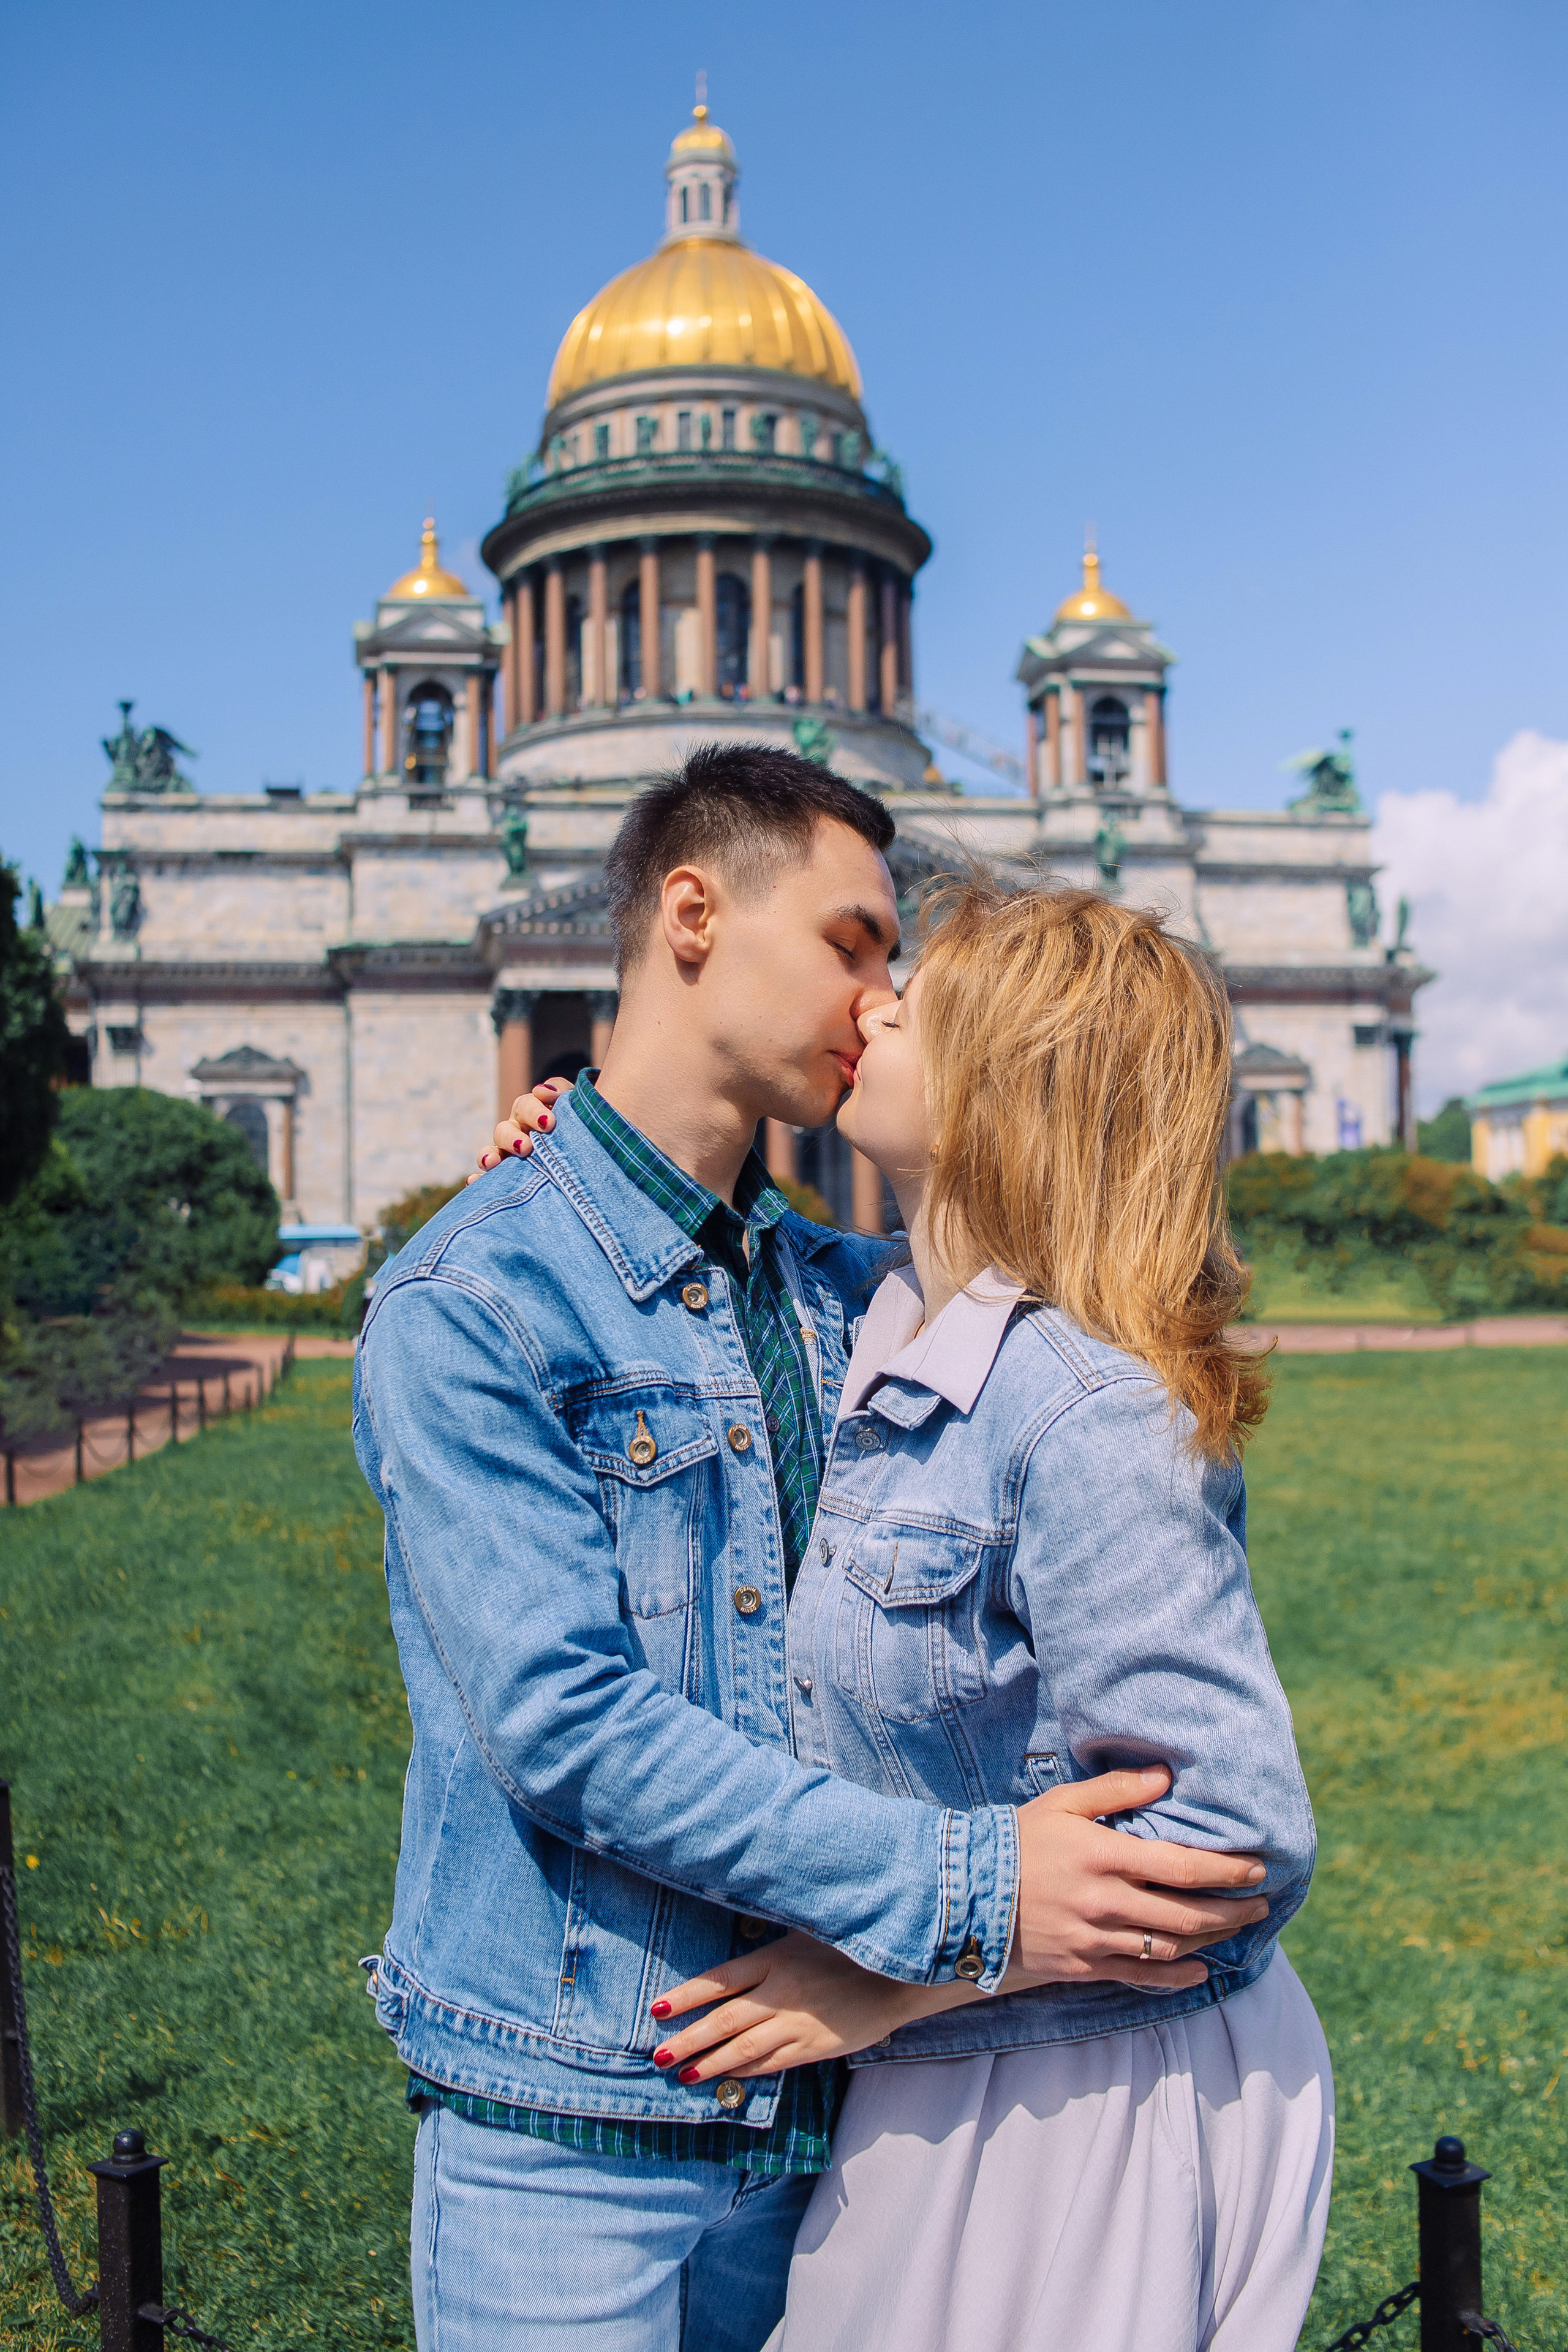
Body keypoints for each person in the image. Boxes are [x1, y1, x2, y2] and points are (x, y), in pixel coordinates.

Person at [358, 745, 1269, 2352]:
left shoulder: (856, 1293)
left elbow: (1068, 1221)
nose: (884, 990)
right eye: (855, 941)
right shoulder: (474, 1302)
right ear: (692, 917)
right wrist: (981, 1890)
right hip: (578, 2139)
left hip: (837, 2126)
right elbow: (565, 1723)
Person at [631, 878, 1332, 2352]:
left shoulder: (1085, 1411)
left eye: (917, 997)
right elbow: (681, 1233)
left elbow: (1233, 1840)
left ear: (1008, 1090)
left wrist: (893, 1973)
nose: (870, 1002)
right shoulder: (871, 1328)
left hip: (1080, 2105)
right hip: (960, 2083)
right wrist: (561, 1145)